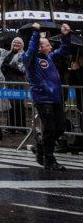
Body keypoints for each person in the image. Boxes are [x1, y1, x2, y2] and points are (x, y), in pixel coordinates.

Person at [22, 22, 75, 171]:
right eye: (48, 45)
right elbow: (31, 49)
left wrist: (66, 35)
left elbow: (64, 50)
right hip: (42, 99)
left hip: (56, 98)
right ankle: (49, 160)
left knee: (59, 128)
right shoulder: (30, 60)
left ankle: (40, 144)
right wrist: (35, 32)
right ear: (40, 47)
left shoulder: (50, 58)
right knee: (50, 129)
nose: (51, 47)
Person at [0, 36, 28, 129]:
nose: (16, 44)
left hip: (18, 82)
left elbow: (23, 70)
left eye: (19, 43)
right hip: (8, 82)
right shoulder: (8, 54)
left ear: (22, 45)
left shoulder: (23, 55)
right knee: (11, 105)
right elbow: (3, 66)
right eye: (15, 42)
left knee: (18, 104)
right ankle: (11, 126)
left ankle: (21, 126)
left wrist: (9, 66)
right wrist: (4, 66)